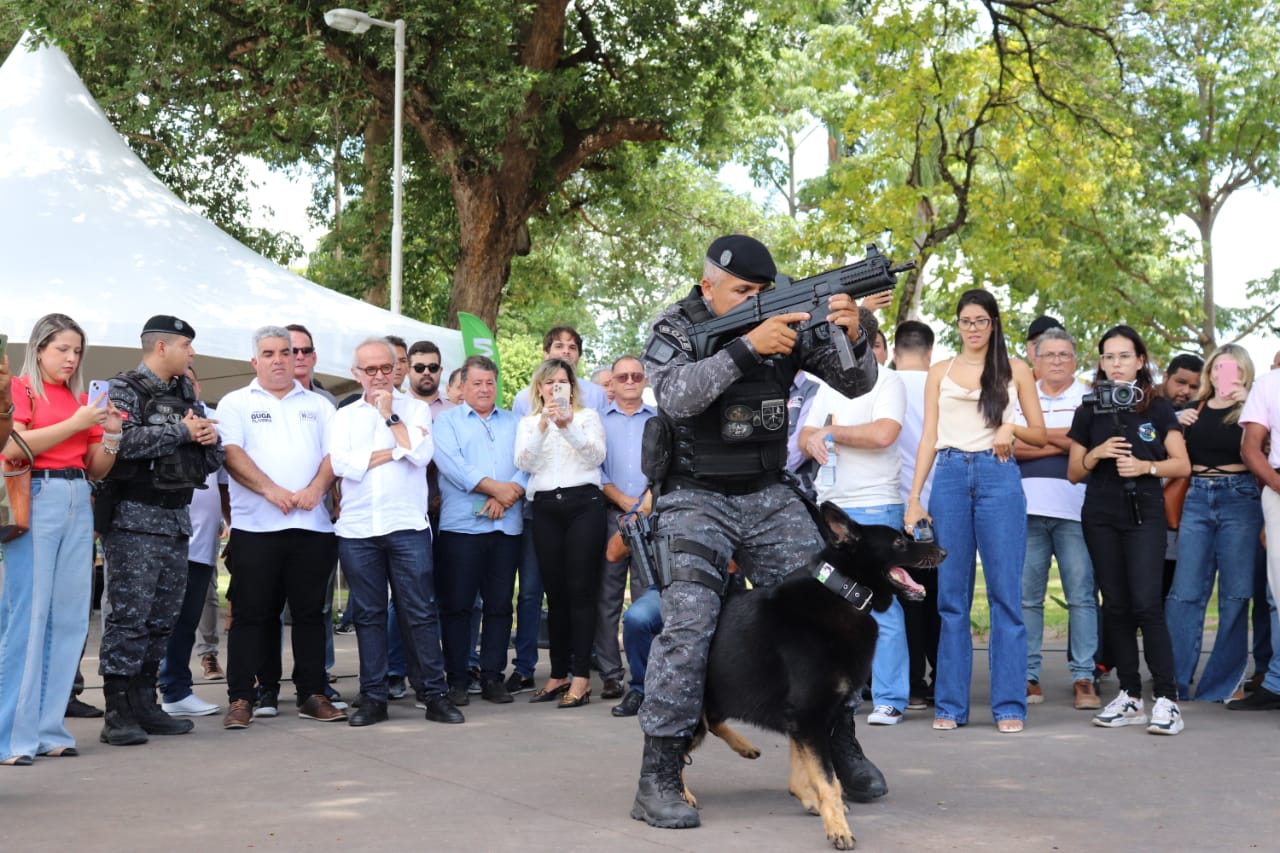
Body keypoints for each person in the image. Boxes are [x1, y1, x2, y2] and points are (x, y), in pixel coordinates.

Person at [631, 234, 883, 830]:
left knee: (831, 604)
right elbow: (673, 395)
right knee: (688, 622)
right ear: (707, 287)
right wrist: (745, 349)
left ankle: (837, 746)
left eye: (762, 292)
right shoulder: (673, 326)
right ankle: (659, 770)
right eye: (743, 292)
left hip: (768, 491)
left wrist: (855, 334)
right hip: (694, 494)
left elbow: (855, 385)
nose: (757, 300)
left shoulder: (791, 318)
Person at [903, 290, 1046, 734]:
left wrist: (1010, 426)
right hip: (947, 477)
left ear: (994, 323)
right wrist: (914, 497)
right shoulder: (939, 372)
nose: (973, 328)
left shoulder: (1015, 370)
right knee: (951, 600)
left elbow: (1039, 435)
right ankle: (949, 704)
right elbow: (928, 436)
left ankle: (1008, 705)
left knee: (1006, 595)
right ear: (958, 324)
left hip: (998, 475)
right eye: (966, 320)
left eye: (981, 320)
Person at [0, 314, 121, 765]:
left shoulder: (77, 398)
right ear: (38, 349)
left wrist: (110, 434)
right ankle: (11, 735)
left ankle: (49, 728)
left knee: (69, 618)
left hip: (77, 493)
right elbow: (13, 447)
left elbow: (96, 466)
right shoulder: (19, 389)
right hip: (36, 493)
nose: (71, 359)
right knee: (27, 616)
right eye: (62, 350)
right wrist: (79, 422)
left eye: (77, 351)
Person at [99, 315, 224, 745]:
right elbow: (121, 444)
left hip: (175, 518)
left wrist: (207, 438)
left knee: (161, 619)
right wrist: (182, 431)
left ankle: (145, 703)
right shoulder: (123, 390)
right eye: (186, 346)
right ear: (161, 348)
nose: (192, 354)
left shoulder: (185, 392)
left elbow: (209, 454)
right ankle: (117, 710)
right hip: (134, 517)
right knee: (128, 618)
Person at [217, 326, 345, 729]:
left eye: (285, 352)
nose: (278, 359)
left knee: (310, 614)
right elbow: (231, 454)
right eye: (268, 353)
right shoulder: (235, 403)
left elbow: (333, 454)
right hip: (256, 529)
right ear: (255, 361)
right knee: (251, 615)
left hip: (312, 526)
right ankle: (241, 697)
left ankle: (312, 693)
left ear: (296, 359)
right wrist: (270, 490)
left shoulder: (321, 405)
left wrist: (315, 489)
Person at [329, 338, 462, 726]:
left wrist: (390, 418)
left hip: (407, 526)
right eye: (369, 370)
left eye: (385, 368)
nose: (379, 376)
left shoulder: (416, 408)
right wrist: (394, 450)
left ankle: (433, 694)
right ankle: (373, 697)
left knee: (419, 611)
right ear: (356, 374)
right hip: (357, 528)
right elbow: (342, 465)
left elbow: (420, 455)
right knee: (368, 615)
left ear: (396, 369)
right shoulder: (345, 416)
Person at [1067, 325, 1189, 735]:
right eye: (1108, 357)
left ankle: (1168, 700)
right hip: (1100, 510)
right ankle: (1130, 696)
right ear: (1100, 363)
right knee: (1115, 604)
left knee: (1146, 604)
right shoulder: (1087, 410)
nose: (1116, 364)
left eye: (1124, 356)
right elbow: (1072, 473)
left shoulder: (1157, 408)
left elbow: (1181, 464)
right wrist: (1097, 454)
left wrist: (1145, 467)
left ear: (1140, 361)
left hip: (1145, 509)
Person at [799, 366, 910, 726]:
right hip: (832, 505)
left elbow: (883, 434)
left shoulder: (888, 380)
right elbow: (805, 436)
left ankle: (890, 698)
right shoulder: (827, 386)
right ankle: (839, 691)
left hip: (875, 504)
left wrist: (831, 432)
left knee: (881, 603)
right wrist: (812, 439)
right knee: (833, 603)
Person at [509, 327, 608, 695]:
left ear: (572, 386)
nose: (555, 388)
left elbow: (596, 456)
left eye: (562, 383)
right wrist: (544, 424)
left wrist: (567, 428)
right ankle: (559, 672)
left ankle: (581, 676)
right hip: (546, 507)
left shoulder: (587, 417)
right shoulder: (527, 423)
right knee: (555, 593)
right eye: (549, 383)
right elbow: (524, 460)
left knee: (581, 590)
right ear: (539, 388)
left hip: (585, 505)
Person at [1165, 345, 1260, 703]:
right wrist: (1176, 423)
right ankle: (1173, 682)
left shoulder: (1255, 407)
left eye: (1233, 368)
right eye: (1219, 367)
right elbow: (1163, 450)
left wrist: (1252, 402)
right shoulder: (1193, 409)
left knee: (1235, 595)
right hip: (1197, 498)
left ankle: (1221, 685)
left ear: (1244, 372)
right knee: (1185, 592)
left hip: (1241, 498)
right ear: (1211, 371)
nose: (1225, 374)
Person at [1013, 327, 1100, 710]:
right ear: (1035, 358)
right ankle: (1028, 677)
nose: (1057, 362)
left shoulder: (1090, 398)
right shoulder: (1019, 396)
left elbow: (1092, 448)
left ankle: (1084, 676)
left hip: (1077, 511)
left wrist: (1038, 437)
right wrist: (1067, 440)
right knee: (1027, 599)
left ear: (1076, 360)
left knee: (1081, 597)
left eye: (1064, 355)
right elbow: (1010, 447)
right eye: (1049, 355)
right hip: (1026, 509)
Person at [432, 356, 527, 707]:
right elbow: (452, 466)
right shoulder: (447, 422)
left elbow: (529, 462)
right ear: (463, 385)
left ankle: (491, 677)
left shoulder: (516, 422)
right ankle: (457, 678)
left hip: (506, 526)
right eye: (477, 383)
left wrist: (508, 494)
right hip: (461, 529)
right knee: (457, 605)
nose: (485, 389)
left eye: (490, 383)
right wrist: (495, 489)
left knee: (500, 606)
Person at [158, 367, 229, 718]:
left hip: (202, 539)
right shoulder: (156, 414)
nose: (185, 383)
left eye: (191, 377)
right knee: (157, 620)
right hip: (163, 536)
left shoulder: (212, 420)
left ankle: (176, 690)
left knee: (188, 619)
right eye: (178, 377)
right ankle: (149, 690)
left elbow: (224, 475)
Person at [595, 355, 657, 707]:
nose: (630, 381)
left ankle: (645, 677)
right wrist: (623, 502)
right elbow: (595, 468)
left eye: (636, 375)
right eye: (622, 377)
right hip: (610, 515)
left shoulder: (660, 420)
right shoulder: (597, 422)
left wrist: (643, 505)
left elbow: (667, 465)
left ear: (645, 380)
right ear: (613, 384)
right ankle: (610, 675)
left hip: (651, 517)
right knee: (607, 597)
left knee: (647, 597)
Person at [1231, 356, 1280, 711]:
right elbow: (1250, 448)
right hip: (1278, 487)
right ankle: (1276, 683)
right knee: (1278, 593)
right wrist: (1277, 485)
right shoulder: (1269, 383)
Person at [406, 340, 452, 417]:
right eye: (419, 367)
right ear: (407, 371)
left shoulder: (456, 412)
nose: (426, 372)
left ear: (440, 371)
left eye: (433, 367)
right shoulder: (394, 409)